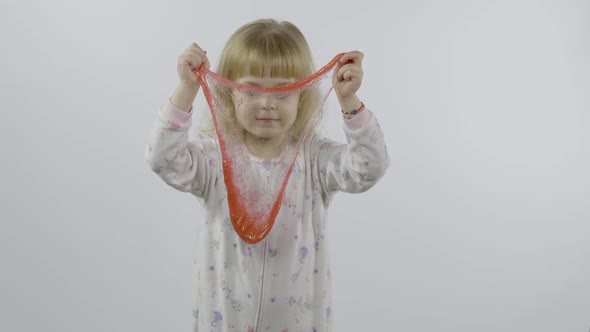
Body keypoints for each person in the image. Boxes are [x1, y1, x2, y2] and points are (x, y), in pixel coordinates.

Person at [145, 18, 389, 332]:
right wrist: (186, 89)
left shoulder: (314, 158)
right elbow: (162, 159)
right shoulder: (215, 157)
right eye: (251, 90)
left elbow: (370, 167)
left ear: (302, 94)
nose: (266, 104)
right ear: (229, 91)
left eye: (282, 92)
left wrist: (349, 102)